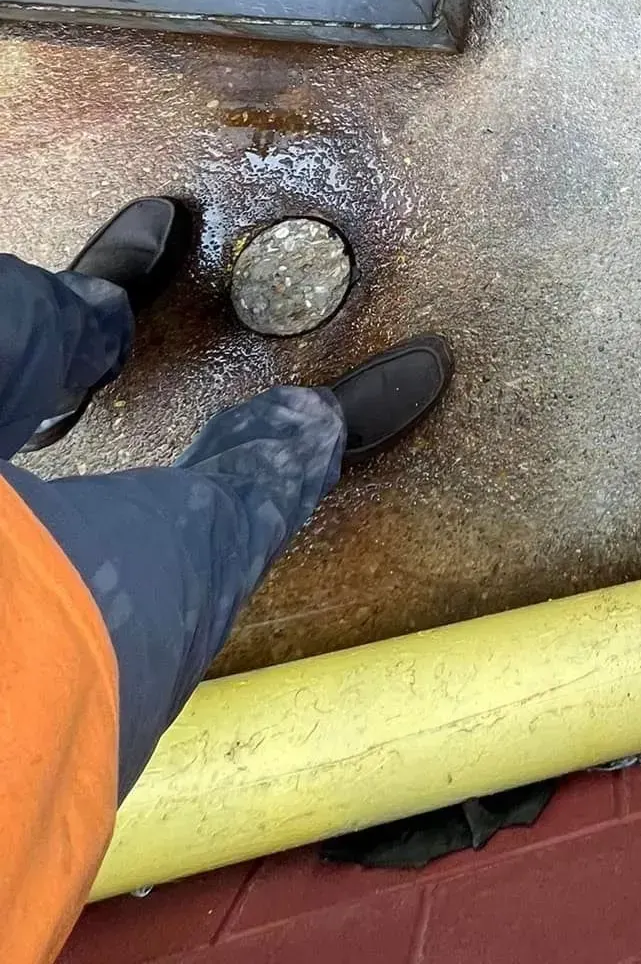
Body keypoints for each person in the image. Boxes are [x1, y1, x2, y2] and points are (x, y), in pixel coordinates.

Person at [0, 196, 452, 962]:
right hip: (29, 669)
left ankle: (84, 334)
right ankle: (302, 442)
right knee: (199, 534)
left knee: (16, 325)